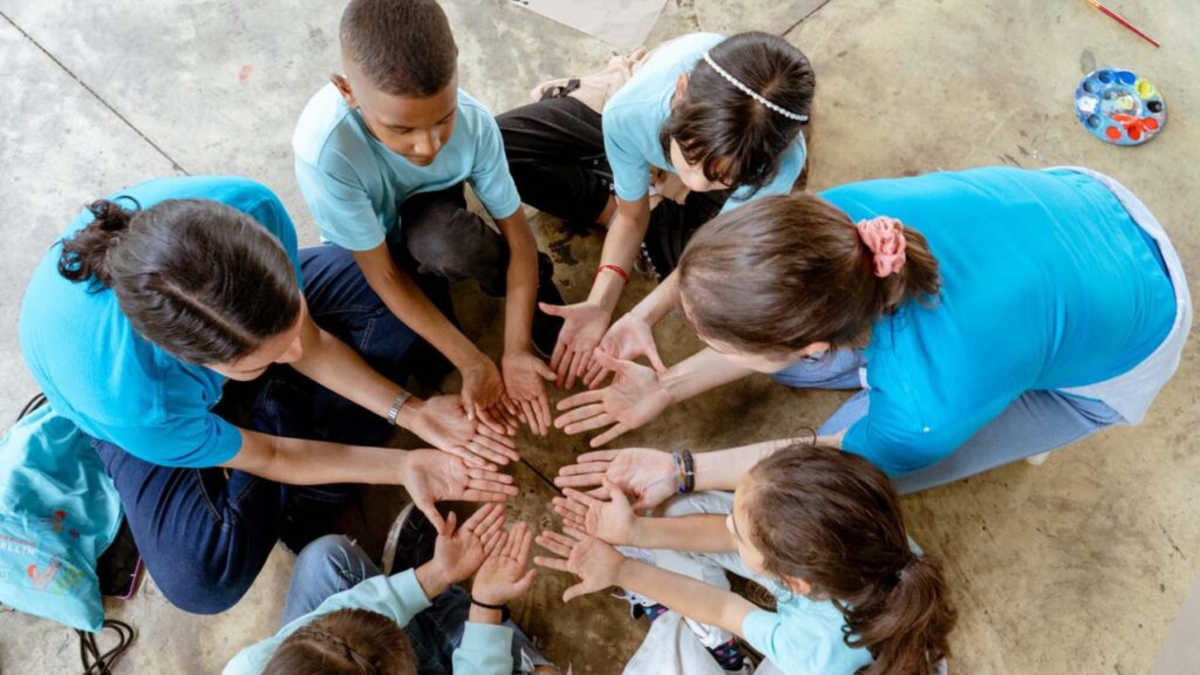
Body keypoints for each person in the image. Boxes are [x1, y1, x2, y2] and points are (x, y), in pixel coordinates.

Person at [18, 176, 519, 614]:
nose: (300, 348)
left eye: (293, 323)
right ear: (197, 363)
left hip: (233, 330)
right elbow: (270, 453)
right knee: (201, 578)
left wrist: (411, 413)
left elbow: (313, 344)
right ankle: (260, 423)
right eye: (264, 359)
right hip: (136, 413)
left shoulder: (250, 207)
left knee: (407, 297)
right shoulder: (138, 404)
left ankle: (272, 400)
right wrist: (404, 466)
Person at [554, 167, 1191, 491]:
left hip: (1133, 337)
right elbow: (778, 336)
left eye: (716, 344)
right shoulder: (833, 227)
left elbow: (838, 454)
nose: (696, 347)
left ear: (815, 340)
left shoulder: (928, 405)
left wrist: (683, 469)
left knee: (831, 474)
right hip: (1080, 206)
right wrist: (665, 388)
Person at [293, 0, 562, 436]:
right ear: (348, 91)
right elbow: (383, 275)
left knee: (451, 245)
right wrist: (472, 361)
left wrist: (514, 348)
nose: (429, 145)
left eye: (443, 117)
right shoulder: (325, 150)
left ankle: (534, 297)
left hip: (431, 213)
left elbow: (519, 236)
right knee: (428, 362)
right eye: (402, 129)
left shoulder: (474, 125)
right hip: (364, 247)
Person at [498, 31, 815, 388]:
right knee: (499, 150)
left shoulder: (780, 164)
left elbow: (710, 255)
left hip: (673, 149)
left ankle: (640, 187)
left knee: (714, 291)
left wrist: (641, 316)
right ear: (681, 92)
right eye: (690, 156)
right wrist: (601, 301)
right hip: (639, 119)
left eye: (722, 178)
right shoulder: (633, 109)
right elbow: (633, 216)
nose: (693, 183)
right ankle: (623, 194)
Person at [540, 443, 956, 675]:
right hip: (832, 623)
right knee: (681, 508)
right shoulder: (871, 530)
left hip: (815, 662)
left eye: (736, 532)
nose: (727, 527)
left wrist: (623, 568)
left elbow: (722, 606)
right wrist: (634, 532)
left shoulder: (808, 650)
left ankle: (725, 657)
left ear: (794, 581)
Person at [225, 505, 560, 675]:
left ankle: (437, 603)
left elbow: (338, 617)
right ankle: (452, 616)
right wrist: (487, 606)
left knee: (325, 560)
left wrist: (436, 572)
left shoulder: (250, 668)